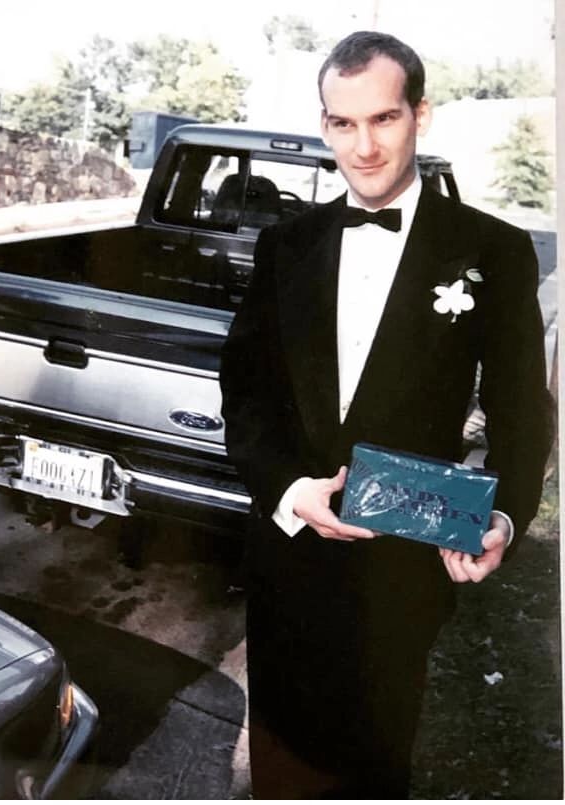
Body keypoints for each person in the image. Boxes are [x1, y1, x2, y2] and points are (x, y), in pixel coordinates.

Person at [219, 30, 554, 799]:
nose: (364, 146)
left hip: (403, 571)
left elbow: (518, 410)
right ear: (324, 124)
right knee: (280, 770)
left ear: (420, 115)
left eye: (384, 119)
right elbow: (245, 392)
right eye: (343, 123)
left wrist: (501, 516)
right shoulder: (286, 246)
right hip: (288, 558)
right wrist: (286, 489)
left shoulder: (492, 250)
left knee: (373, 766)